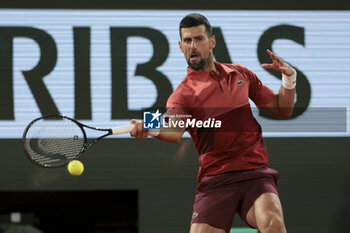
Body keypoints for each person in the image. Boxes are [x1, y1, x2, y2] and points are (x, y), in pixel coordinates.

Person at [130, 13, 296, 233]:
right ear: (180, 46)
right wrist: (149, 127)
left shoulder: (241, 74)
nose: (193, 46)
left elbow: (282, 109)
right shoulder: (182, 95)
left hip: (255, 174)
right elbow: (173, 129)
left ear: (212, 41)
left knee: (274, 225)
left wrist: (289, 78)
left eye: (198, 39)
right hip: (216, 180)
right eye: (187, 41)